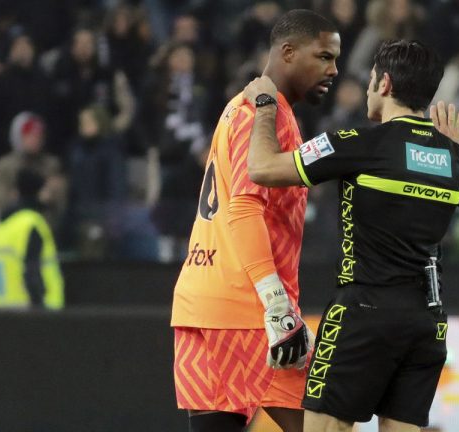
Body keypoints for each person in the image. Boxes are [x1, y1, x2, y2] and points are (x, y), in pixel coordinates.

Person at [243, 39, 459, 432]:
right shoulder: (454, 158)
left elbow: (261, 168)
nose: (366, 89)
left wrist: (264, 106)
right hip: (427, 323)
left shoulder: (358, 143)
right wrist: (456, 151)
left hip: (363, 314)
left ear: (385, 83)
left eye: (370, 79)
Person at [169, 10, 340, 432]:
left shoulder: (239, 108)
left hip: (201, 301)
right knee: (326, 426)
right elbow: (245, 207)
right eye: (323, 56)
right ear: (288, 52)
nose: (333, 70)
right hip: (248, 311)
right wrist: (277, 304)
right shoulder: (267, 115)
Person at [0, 169, 64, 309]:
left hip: (0, 307)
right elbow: (32, 270)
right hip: (30, 309)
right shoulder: (31, 223)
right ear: (38, 192)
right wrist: (39, 305)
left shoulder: (2, 225)